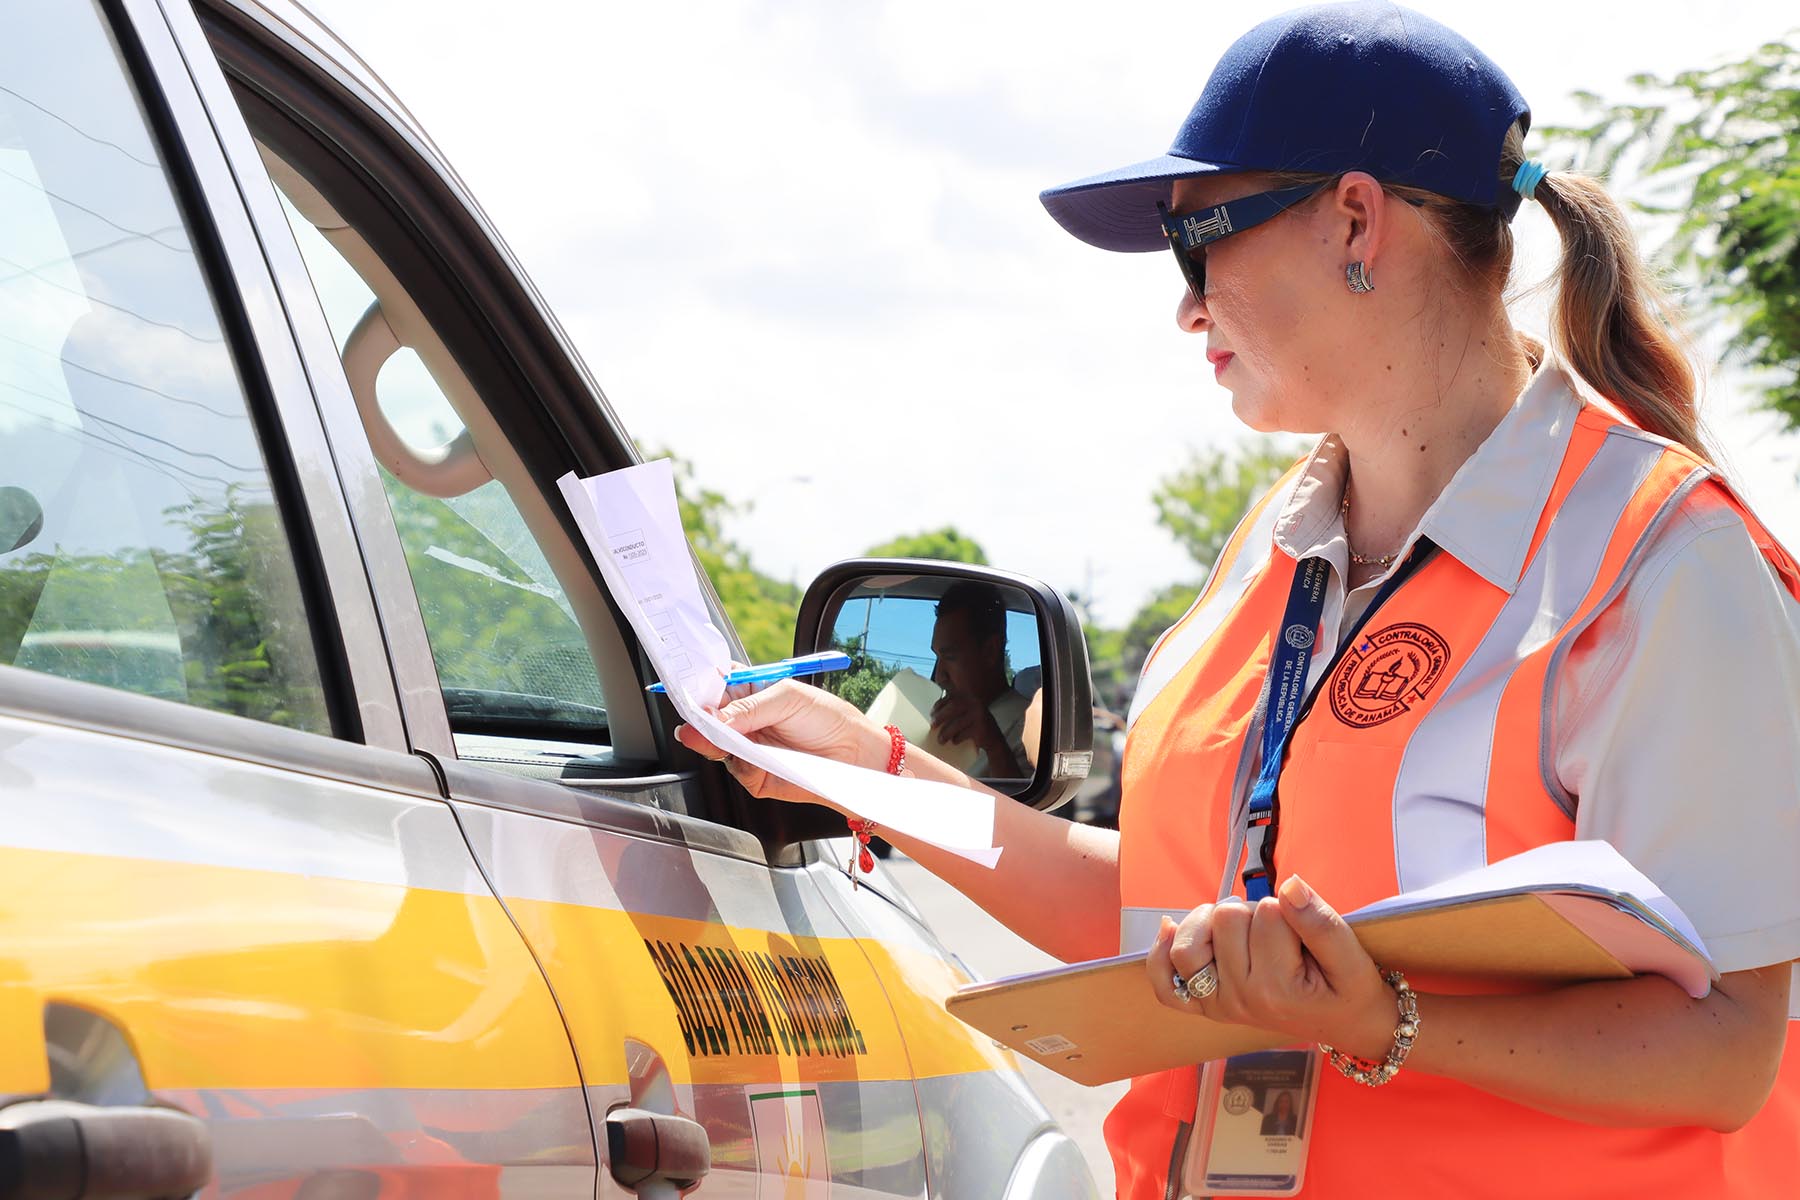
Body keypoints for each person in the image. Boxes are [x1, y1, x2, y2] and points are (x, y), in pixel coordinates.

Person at [676, 3, 1800, 1196]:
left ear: (1356, 220)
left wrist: (1388, 1021)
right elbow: (1154, 913)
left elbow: (1727, 1043)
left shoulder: (1663, 561)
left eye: (1194, 244)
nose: (1187, 305)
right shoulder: (1269, 551)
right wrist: (872, 770)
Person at [927, 581, 1029, 777]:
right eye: (937, 657)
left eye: (950, 657)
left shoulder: (1026, 726)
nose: (939, 676)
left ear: (990, 650)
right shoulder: (940, 716)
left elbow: (1023, 803)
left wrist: (995, 746)